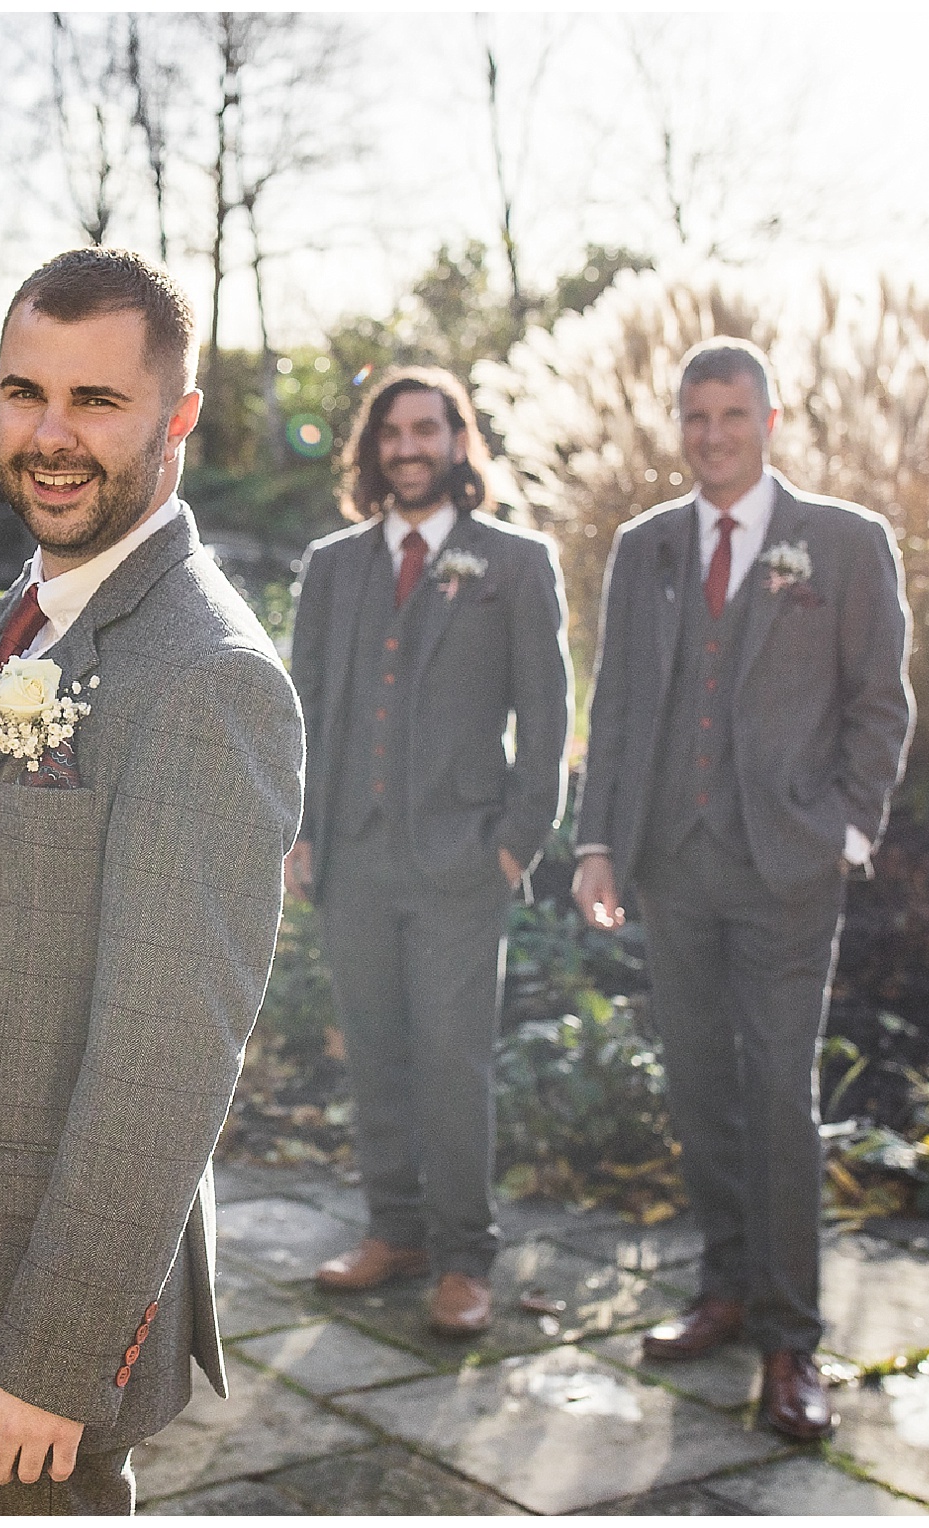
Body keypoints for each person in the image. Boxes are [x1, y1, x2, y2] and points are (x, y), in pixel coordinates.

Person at [0, 248, 304, 1514]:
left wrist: (55, 1360)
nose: (50, 435)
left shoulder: (209, 682)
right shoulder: (34, 598)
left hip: (14, 1344)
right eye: (26, 392)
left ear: (177, 418)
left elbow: (165, 1066)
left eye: (97, 401)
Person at [571, 336, 913, 1440]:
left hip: (788, 870)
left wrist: (849, 833)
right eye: (694, 417)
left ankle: (790, 1339)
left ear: (771, 420)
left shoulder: (845, 543)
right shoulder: (649, 547)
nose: (711, 435)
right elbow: (618, 705)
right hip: (675, 863)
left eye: (731, 415)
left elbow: (880, 703)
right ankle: (722, 1288)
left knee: (779, 1098)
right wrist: (598, 846)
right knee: (699, 1089)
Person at [285, 368, 571, 1337]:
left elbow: (547, 719)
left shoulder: (515, 564)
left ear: (458, 441)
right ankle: (394, 1232)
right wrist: (303, 833)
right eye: (390, 433)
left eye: (425, 430)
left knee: (453, 1062)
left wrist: (514, 846)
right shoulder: (334, 565)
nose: (407, 447)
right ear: (374, 450)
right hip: (353, 858)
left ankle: (462, 1256)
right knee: (374, 1053)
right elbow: (308, 706)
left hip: (462, 861)